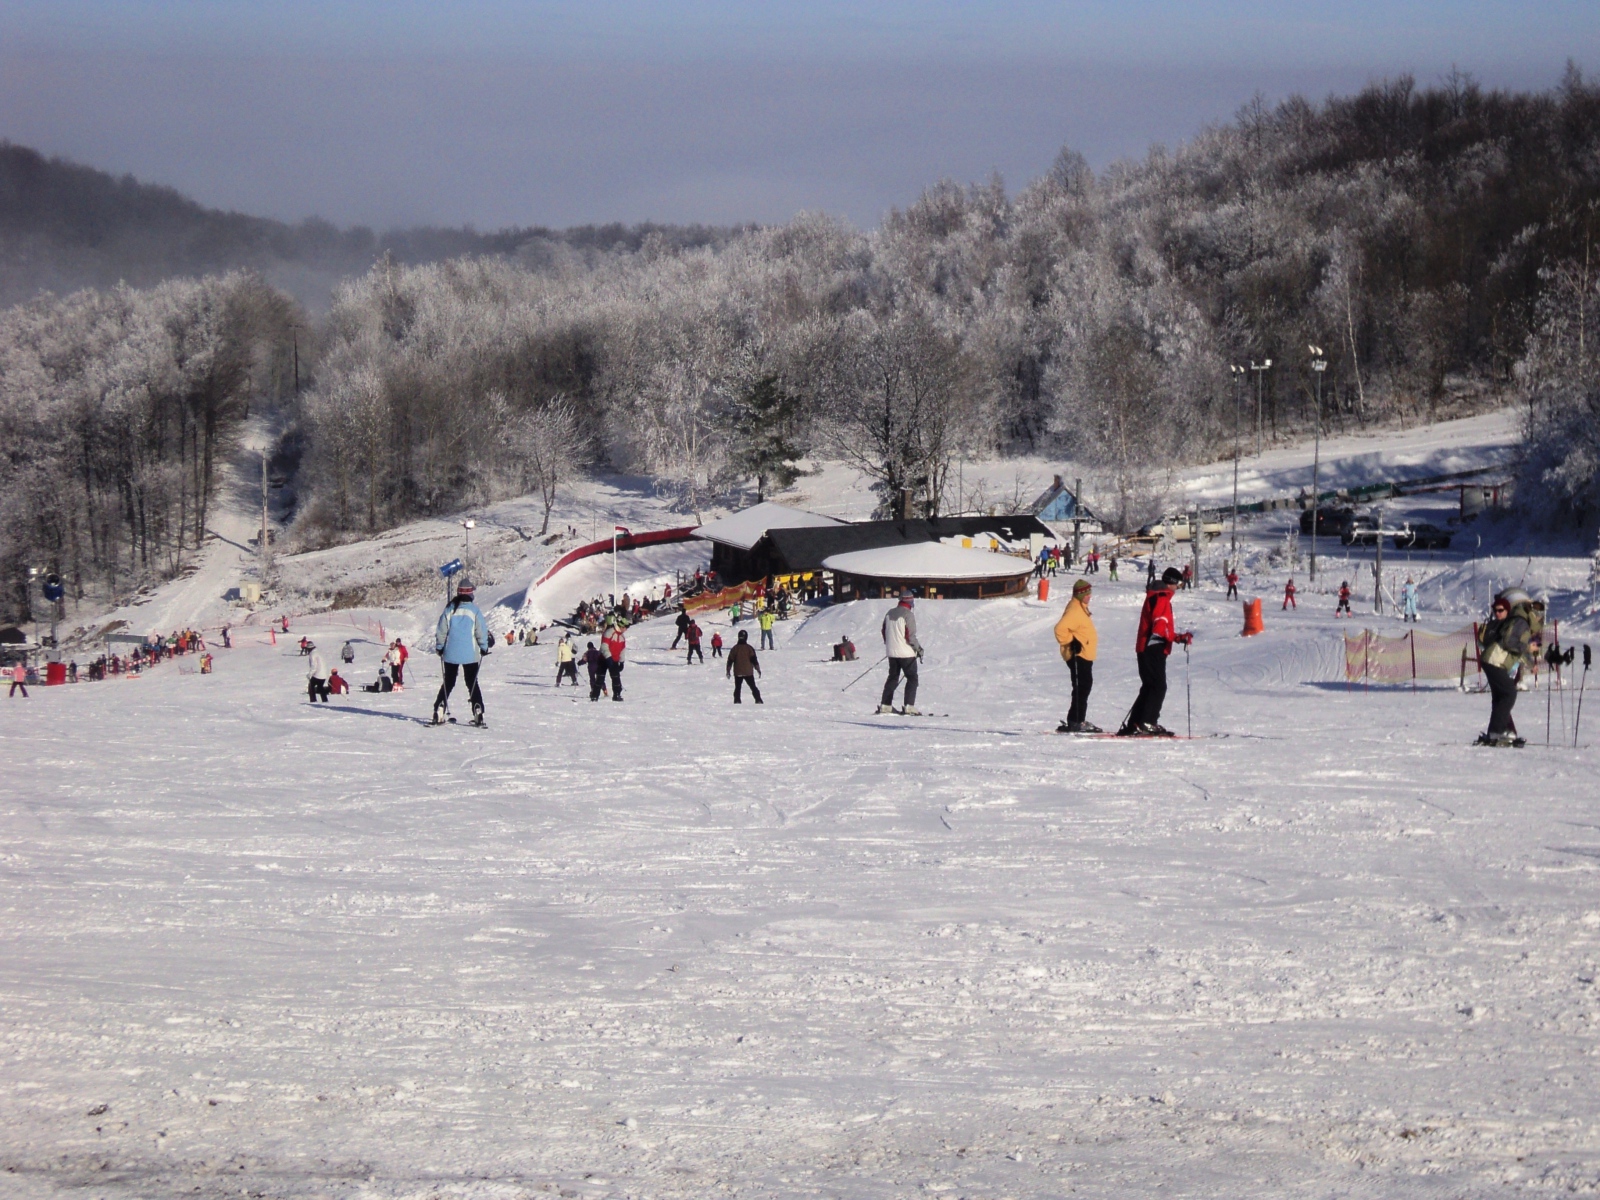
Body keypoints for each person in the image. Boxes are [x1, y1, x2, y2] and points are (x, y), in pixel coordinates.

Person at [1120, 567, 1192, 737]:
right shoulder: (1161, 597)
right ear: (1172, 582)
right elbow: (1159, 626)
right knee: (1158, 686)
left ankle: (1136, 722)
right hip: (1153, 647)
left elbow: (1161, 627)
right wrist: (1174, 637)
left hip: (1146, 646)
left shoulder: (1156, 595)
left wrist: (1176, 637)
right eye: (1178, 584)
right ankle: (1148, 722)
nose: (1178, 588)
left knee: (1149, 686)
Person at [1476, 588, 1533, 747]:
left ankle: (1504, 731)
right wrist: (1527, 651)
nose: (1497, 613)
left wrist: (1530, 662)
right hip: (1494, 662)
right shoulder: (1510, 625)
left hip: (1493, 662)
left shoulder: (1509, 625)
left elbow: (1515, 647)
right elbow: (1512, 644)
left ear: (1508, 610)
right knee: (1509, 694)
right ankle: (1496, 731)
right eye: (1495, 611)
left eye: (1500, 610)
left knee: (1501, 696)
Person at [433, 580, 489, 725]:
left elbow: (441, 631)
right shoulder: (474, 611)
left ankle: (439, 709)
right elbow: (481, 632)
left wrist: (440, 647)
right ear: (470, 593)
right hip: (470, 654)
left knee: (449, 682)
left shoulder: (449, 609)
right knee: (472, 682)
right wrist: (484, 647)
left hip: (450, 653)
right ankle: (478, 710)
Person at [1054, 578, 1100, 733]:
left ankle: (1077, 719)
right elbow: (1060, 629)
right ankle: (1076, 721)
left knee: (1083, 686)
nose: (1090, 596)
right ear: (1080, 595)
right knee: (1082, 686)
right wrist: (1071, 642)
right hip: (1077, 655)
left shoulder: (1080, 607)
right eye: (1087, 594)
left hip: (1084, 654)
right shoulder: (1075, 609)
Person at [878, 590, 924, 715]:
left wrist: (890, 644)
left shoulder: (889, 613)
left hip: (891, 652)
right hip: (906, 653)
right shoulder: (908, 615)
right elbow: (910, 636)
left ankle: (885, 705)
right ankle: (909, 706)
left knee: (893, 677)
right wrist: (919, 649)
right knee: (912, 678)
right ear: (909, 601)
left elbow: (883, 631)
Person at [726, 628, 763, 703]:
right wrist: (758, 669)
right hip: (748, 672)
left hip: (738, 672)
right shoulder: (749, 648)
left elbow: (730, 660)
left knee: (737, 688)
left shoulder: (735, 648)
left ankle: (737, 700)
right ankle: (758, 699)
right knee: (753, 687)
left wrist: (728, 671)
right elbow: (754, 660)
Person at [601, 624, 626, 701]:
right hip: (607, 658)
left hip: (614, 659)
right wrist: (608, 657)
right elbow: (604, 646)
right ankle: (595, 694)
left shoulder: (622, 637)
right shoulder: (610, 633)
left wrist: (621, 661)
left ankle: (617, 694)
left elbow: (622, 650)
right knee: (602, 677)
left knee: (616, 678)